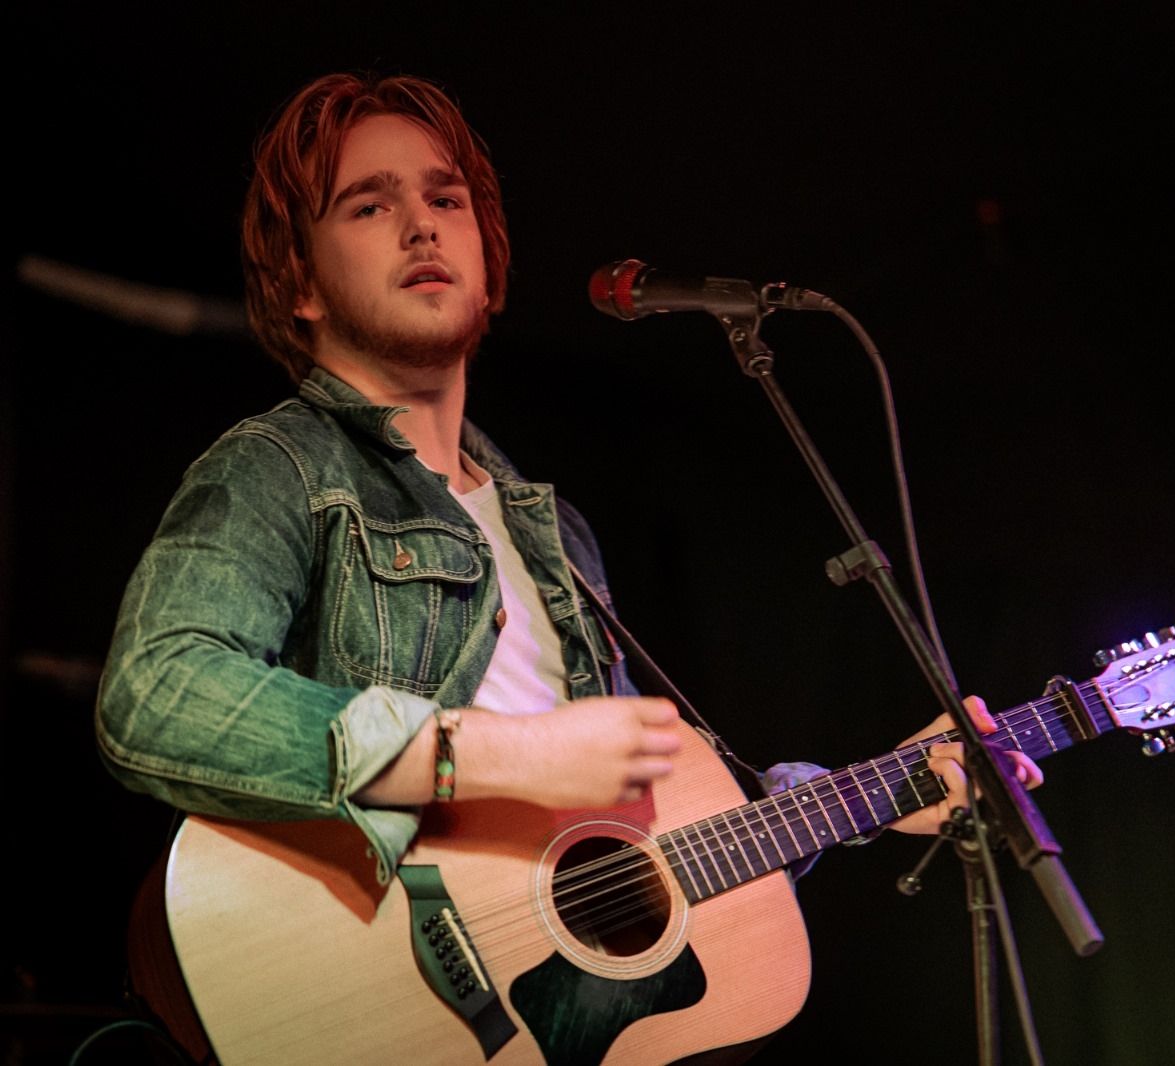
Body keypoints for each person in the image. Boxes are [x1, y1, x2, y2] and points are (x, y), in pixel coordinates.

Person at [93, 71, 1041, 1059]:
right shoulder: (281, 467)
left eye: (445, 199)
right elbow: (155, 694)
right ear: (300, 282)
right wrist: (499, 756)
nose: (421, 225)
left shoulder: (559, 537)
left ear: (488, 261)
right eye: (370, 205)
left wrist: (881, 793)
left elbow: (639, 857)